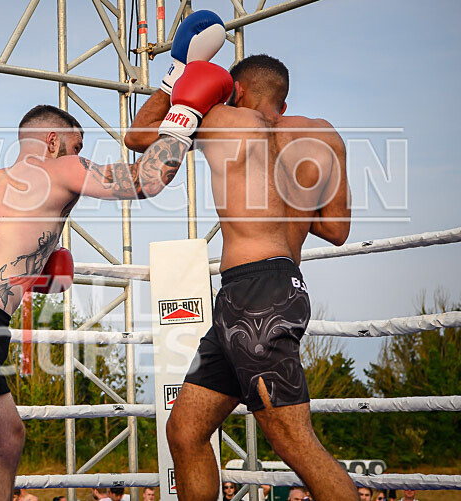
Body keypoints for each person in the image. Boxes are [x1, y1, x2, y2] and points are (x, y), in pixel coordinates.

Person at [0, 54, 231, 496]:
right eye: (77, 147)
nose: (80, 157)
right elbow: (147, 179)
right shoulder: (60, 167)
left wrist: (29, 273)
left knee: (6, 439)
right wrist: (184, 114)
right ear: (52, 139)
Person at [125, 51, 353, 501]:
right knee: (186, 431)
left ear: (237, 91)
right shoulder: (323, 135)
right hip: (278, 288)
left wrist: (177, 75)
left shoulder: (225, 121)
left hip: (253, 296)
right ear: (282, 100)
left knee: (294, 442)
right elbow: (337, 230)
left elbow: (139, 138)